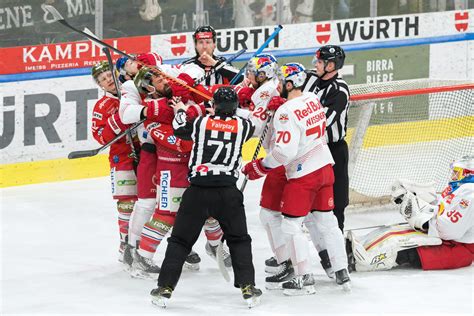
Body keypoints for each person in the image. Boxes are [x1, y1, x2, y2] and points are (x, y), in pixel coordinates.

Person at [242, 63, 350, 295]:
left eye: (281, 82)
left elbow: (284, 152)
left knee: (291, 225)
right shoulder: (312, 98)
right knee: (327, 222)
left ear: (289, 84)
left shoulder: (285, 111)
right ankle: (341, 271)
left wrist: (260, 166)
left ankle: (304, 278)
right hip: (325, 167)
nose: (278, 86)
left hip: (304, 174)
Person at [150, 87, 262, 308]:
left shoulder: (200, 123)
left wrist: (182, 109)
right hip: (228, 193)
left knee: (180, 241)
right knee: (239, 239)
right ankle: (248, 287)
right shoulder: (243, 126)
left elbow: (179, 128)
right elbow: (255, 122)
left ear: (215, 106)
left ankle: (164, 288)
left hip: (198, 192)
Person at [348, 156, 474, 272]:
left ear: (468, 175)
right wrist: (419, 198)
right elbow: (443, 211)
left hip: (460, 249)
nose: (453, 176)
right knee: (393, 230)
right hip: (452, 240)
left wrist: (420, 218)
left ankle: (364, 262)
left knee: (403, 247)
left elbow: (449, 231)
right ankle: (361, 245)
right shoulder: (463, 189)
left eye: (457, 173)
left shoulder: (469, 193)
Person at [301, 45, 350, 279]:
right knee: (305, 203)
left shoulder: (340, 90)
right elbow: (284, 85)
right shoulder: (310, 78)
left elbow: (321, 121)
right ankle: (319, 256)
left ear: (331, 66)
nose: (316, 64)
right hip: (311, 149)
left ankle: (338, 257)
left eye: (320, 62)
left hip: (333, 150)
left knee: (336, 204)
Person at [90, 61, 137, 263]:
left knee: (155, 204)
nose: (108, 80)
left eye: (109, 75)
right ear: (100, 85)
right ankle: (125, 244)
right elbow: (100, 136)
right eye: (103, 79)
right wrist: (118, 120)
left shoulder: (133, 91)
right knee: (126, 204)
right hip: (123, 158)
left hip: (149, 154)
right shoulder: (101, 107)